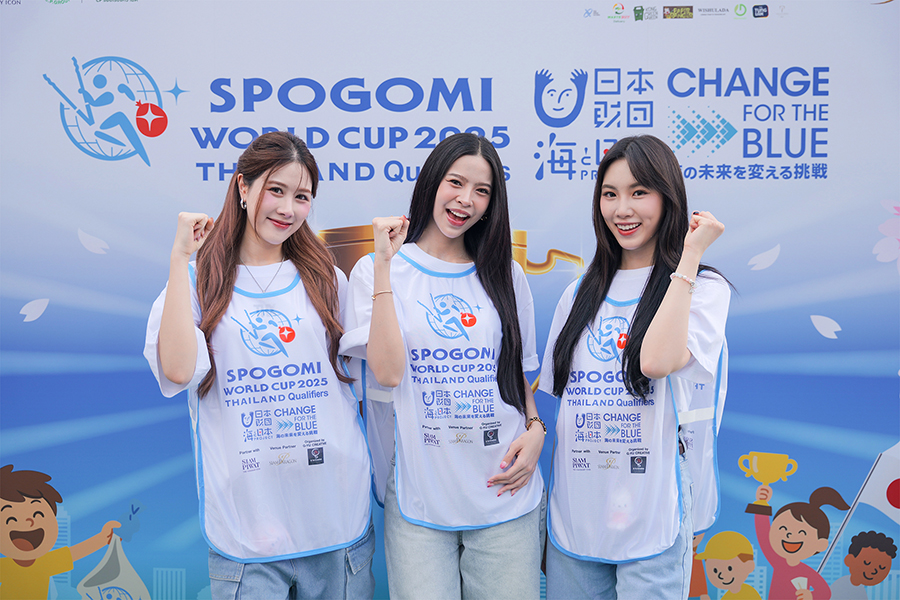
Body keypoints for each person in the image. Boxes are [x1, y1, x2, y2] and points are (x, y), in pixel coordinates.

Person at [143, 131, 374, 599]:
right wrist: (180, 258)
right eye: (276, 190)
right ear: (243, 188)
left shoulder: (326, 278)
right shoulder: (198, 281)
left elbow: (375, 372)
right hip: (247, 527)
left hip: (334, 515)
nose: (288, 208)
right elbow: (178, 370)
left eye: (302, 196)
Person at [340, 132, 545, 599]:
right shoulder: (376, 270)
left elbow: (513, 372)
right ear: (432, 181)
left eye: (482, 190)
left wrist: (536, 429)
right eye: (456, 182)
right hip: (420, 495)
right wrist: (386, 266)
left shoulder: (506, 273)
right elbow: (388, 373)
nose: (465, 199)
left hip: (504, 488)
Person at [539, 135, 731, 599]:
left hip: (653, 514)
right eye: (610, 194)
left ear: (668, 197)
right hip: (576, 514)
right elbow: (553, 390)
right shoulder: (578, 294)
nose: (622, 209)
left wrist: (689, 256)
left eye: (639, 192)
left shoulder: (703, 289)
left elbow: (657, 361)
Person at [0, 465, 120, 600]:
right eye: (10, 519)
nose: (29, 522)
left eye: (38, 514)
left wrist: (103, 538)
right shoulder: (4, 567)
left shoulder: (46, 563)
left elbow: (76, 552)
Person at [752, 485, 850, 600]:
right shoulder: (778, 562)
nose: (789, 535)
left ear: (821, 544)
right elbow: (763, 534)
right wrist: (762, 503)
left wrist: (811, 595)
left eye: (802, 533)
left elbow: (825, 592)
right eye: (783, 529)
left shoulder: (806, 572)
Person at [830, 530, 896, 599]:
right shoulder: (842, 585)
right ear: (849, 560)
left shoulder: (859, 589)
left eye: (882, 567)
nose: (874, 571)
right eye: (867, 562)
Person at [696, 530, 762, 600]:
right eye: (715, 570)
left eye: (729, 568)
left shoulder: (749, 594)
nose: (721, 576)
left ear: (749, 566)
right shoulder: (728, 595)